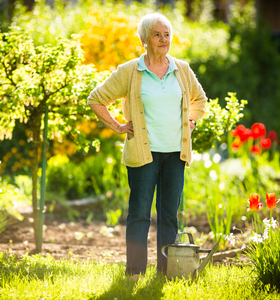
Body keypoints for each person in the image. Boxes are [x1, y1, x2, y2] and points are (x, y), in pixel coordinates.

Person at [87, 12, 207, 276]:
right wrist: (118, 126)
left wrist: (192, 121)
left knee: (169, 216)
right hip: (144, 154)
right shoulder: (130, 71)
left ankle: (167, 271)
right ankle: (135, 271)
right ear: (144, 39)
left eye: (167, 34)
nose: (164, 39)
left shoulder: (181, 69)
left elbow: (200, 100)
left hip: (175, 154)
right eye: (157, 34)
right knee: (139, 214)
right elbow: (96, 98)